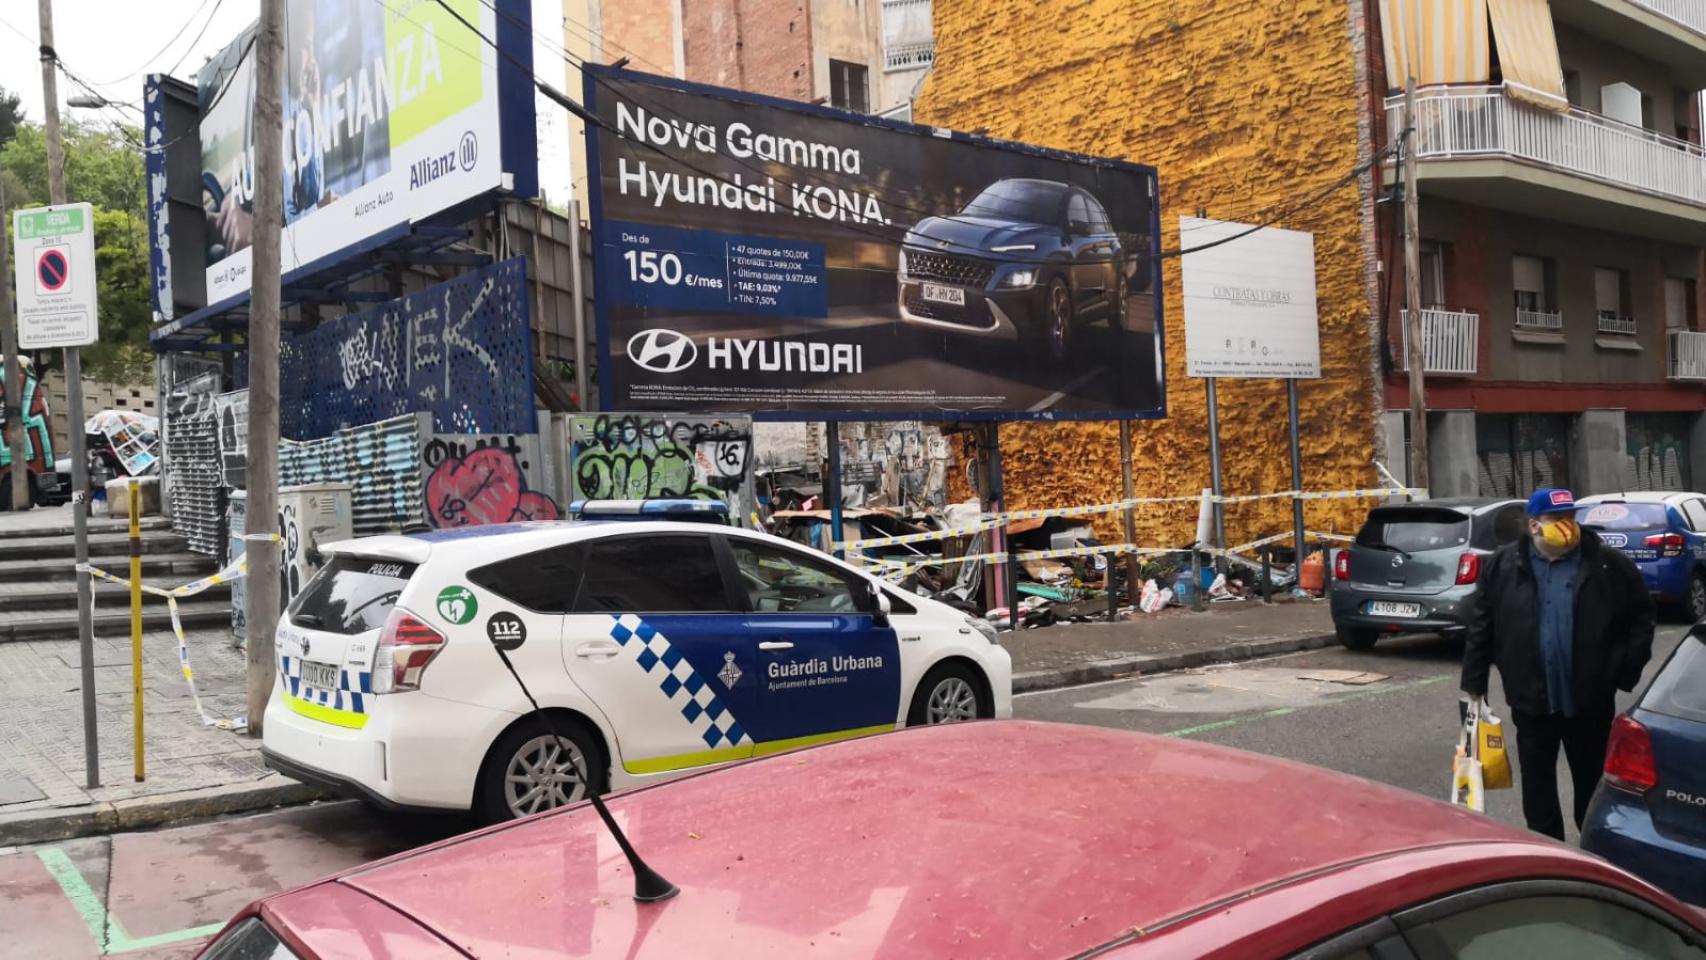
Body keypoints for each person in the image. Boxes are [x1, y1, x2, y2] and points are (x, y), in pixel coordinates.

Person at [1462, 487, 1654, 841]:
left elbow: (1641, 618)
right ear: (1534, 525)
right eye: (1556, 518)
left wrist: (1621, 672)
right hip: (1531, 701)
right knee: (1537, 789)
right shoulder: (1504, 565)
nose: (1567, 525)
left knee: (1591, 785)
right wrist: (1474, 685)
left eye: (1570, 517)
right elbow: (1482, 625)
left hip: (1589, 701)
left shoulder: (1606, 563)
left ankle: (1593, 851)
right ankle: (1550, 852)